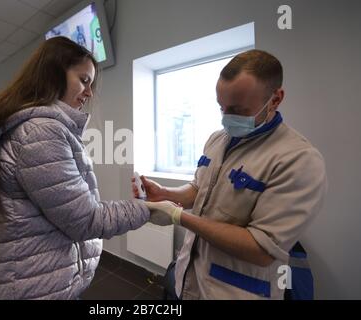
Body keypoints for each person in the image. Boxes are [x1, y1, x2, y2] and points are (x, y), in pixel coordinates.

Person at [0, 37, 150, 300]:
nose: (89, 93)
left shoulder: (28, 126)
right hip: (39, 287)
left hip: (30, 277)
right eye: (84, 80)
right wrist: (148, 209)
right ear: (54, 74)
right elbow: (86, 220)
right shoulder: (40, 132)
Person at [135, 50, 328, 300]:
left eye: (237, 110)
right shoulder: (218, 140)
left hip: (234, 290)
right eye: (222, 108)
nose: (226, 118)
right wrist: (167, 194)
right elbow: (199, 189)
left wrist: (177, 215)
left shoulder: (298, 160)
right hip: (190, 277)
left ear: (275, 99)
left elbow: (261, 248)